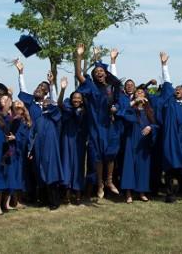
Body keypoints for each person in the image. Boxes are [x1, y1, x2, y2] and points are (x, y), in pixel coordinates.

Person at [74, 44, 126, 199]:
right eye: (96, 72)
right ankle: (100, 184)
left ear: (105, 73)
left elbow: (118, 102)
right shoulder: (90, 86)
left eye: (101, 71)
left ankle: (109, 181)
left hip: (109, 124)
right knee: (97, 154)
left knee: (110, 153)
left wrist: (115, 108)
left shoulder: (112, 87)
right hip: (96, 125)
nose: (99, 73)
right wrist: (79, 56)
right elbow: (78, 74)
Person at [17, 64, 63, 210]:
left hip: (49, 142)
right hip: (35, 141)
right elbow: (23, 91)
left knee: (50, 169)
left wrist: (51, 84)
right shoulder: (31, 103)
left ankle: (53, 200)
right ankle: (38, 197)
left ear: (46, 95)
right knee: (37, 170)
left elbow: (55, 102)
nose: (39, 89)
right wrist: (21, 73)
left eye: (43, 89)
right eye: (38, 87)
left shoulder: (50, 109)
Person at [153, 52, 182, 202]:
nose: (176, 90)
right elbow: (168, 85)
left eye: (179, 89)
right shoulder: (169, 104)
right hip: (171, 140)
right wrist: (164, 65)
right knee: (170, 166)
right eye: (175, 89)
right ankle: (170, 194)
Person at [118, 85, 159, 203]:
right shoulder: (131, 109)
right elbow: (121, 113)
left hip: (144, 142)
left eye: (142, 92)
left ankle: (141, 192)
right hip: (131, 140)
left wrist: (150, 127)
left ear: (145, 96)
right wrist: (134, 102)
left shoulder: (149, 111)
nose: (139, 93)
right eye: (137, 93)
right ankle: (128, 193)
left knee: (143, 167)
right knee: (129, 166)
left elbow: (156, 125)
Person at [58, 77, 87, 205]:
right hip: (66, 139)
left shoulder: (84, 111)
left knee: (78, 166)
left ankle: (78, 194)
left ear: (82, 100)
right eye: (74, 98)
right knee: (67, 165)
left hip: (79, 141)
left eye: (79, 98)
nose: (76, 100)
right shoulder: (67, 107)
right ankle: (66, 195)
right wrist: (63, 89)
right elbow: (59, 103)